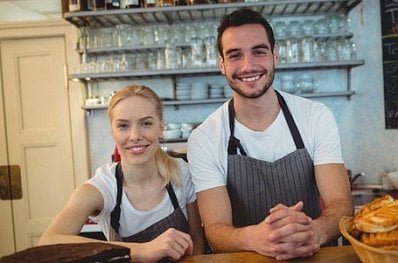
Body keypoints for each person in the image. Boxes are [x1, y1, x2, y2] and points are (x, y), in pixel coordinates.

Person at [186, 7, 352, 260]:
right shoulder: (204, 138)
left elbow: (341, 205)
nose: (248, 65)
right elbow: (216, 232)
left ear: (275, 55)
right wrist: (258, 237)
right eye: (234, 55)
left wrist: (314, 232)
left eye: (258, 52)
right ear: (221, 64)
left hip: (312, 255)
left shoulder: (315, 116)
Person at [39, 85, 204, 262]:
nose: (135, 136)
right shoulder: (104, 187)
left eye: (146, 123)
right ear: (113, 132)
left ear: (161, 127)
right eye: (123, 126)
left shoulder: (181, 172)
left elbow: (197, 238)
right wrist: (144, 250)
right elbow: (48, 243)